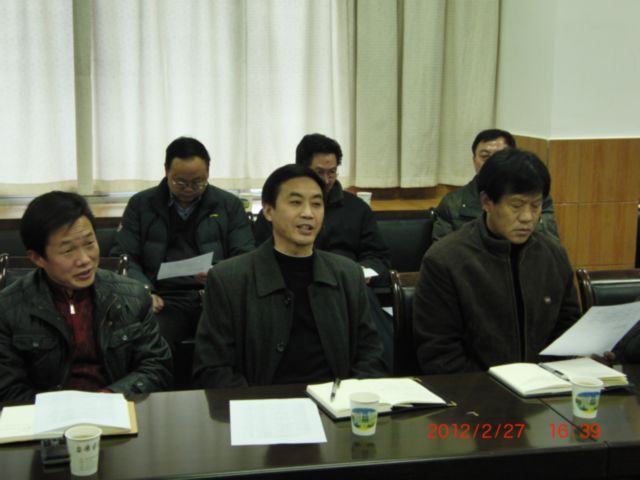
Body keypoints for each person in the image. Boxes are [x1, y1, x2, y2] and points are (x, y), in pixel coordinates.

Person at [193, 164, 387, 388]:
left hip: (335, 403)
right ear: (268, 211)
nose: (308, 213)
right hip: (260, 403)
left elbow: (371, 354)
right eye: (295, 202)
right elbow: (213, 368)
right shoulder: (229, 279)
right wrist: (254, 403)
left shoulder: (348, 274)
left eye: (316, 204)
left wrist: (349, 398)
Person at [413, 148, 580, 374]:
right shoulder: (445, 260)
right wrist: (497, 388)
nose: (527, 217)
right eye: (516, 205)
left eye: (536, 205)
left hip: (545, 385)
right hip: (475, 389)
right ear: (486, 202)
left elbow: (567, 331)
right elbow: (440, 354)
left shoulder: (552, 254)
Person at [0, 192, 172, 402]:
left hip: (115, 407)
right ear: (37, 258)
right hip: (44, 416)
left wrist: (108, 396)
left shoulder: (133, 296)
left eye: (89, 243)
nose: (84, 260)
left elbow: (156, 366)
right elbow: (7, 388)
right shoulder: (8, 308)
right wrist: (64, 408)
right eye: (68, 251)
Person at [254, 133, 393, 369]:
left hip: (349, 287)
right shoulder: (276, 212)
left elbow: (379, 257)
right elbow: (261, 258)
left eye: (333, 172)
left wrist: (360, 272)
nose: (327, 180)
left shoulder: (357, 209)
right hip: (288, 286)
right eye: (320, 172)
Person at [110, 137, 255, 346]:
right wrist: (144, 291)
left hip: (215, 296)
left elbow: (245, 255)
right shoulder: (141, 204)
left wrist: (219, 272)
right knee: (151, 342)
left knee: (237, 340)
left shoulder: (228, 204)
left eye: (198, 182)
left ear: (208, 173)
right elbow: (124, 255)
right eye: (180, 182)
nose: (189, 188)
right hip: (163, 298)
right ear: (166, 171)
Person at [432, 129, 559, 242]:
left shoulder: (535, 198)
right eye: (485, 156)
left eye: (500, 156)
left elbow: (549, 244)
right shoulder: (453, 203)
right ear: (474, 160)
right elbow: (443, 253)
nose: (492, 162)